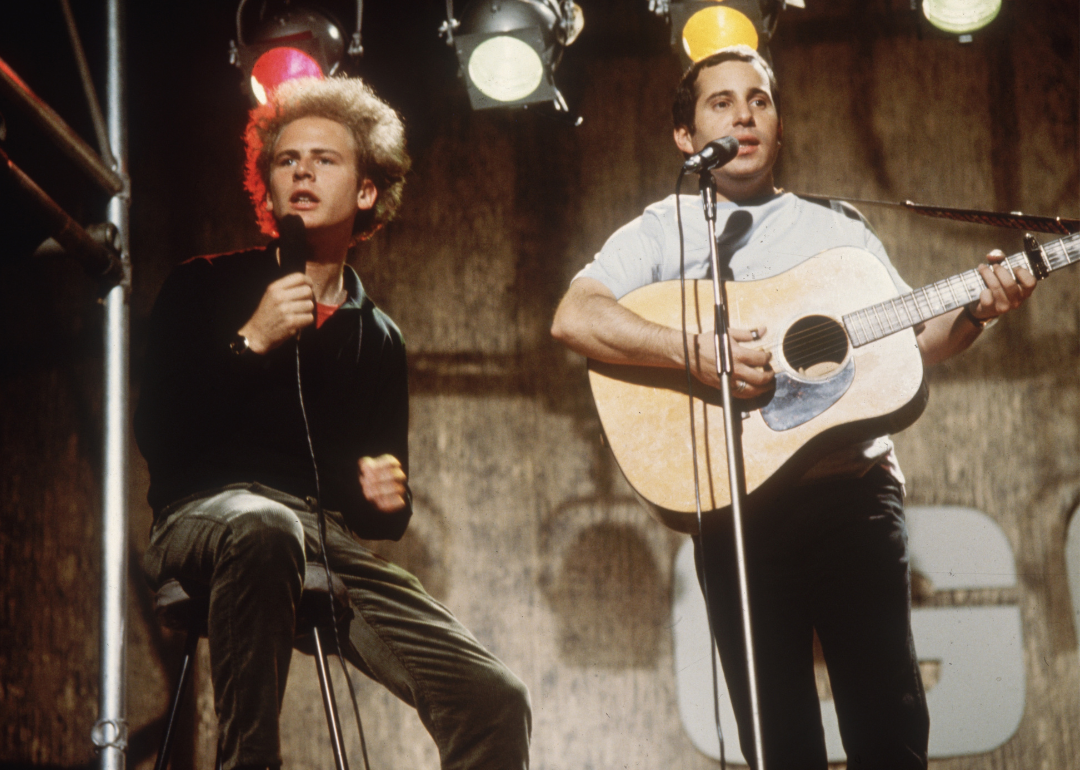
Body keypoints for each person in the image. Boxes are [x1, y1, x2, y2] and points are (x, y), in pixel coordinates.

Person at [551, 46, 1035, 769]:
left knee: (891, 731)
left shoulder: (839, 231)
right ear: (686, 137)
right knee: (780, 746)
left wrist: (980, 309)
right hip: (737, 512)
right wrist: (692, 350)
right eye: (721, 102)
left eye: (760, 100)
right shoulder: (661, 229)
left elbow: (911, 345)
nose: (744, 115)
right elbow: (576, 316)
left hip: (855, 496)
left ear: (778, 126)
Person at [136, 76, 531, 770]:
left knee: (492, 696)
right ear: (268, 185)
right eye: (287, 160)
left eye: (324, 159)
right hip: (200, 519)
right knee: (264, 524)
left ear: (368, 192)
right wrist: (250, 341)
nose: (302, 172)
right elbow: (160, 435)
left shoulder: (377, 337)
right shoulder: (201, 285)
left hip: (320, 536)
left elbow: (375, 514)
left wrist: (386, 499)